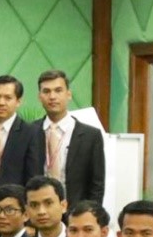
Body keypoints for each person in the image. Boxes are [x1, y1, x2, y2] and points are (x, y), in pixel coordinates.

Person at [36, 70, 104, 205]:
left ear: (69, 94)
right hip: (38, 210)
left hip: (75, 210)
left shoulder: (91, 136)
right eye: (46, 91)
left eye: (58, 90)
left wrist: (90, 213)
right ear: (40, 97)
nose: (52, 96)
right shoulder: (30, 132)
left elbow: (97, 185)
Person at [0, 75, 43, 194]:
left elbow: (33, 176)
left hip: (14, 200)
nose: (1, 103)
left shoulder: (31, 132)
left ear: (18, 101)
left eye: (8, 98)